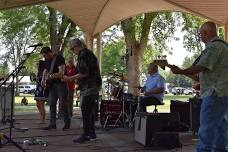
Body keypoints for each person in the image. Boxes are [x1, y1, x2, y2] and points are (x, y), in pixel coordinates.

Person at [169, 21, 228, 152]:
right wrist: (185, 73)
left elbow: (201, 67)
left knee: (206, 131)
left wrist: (181, 71)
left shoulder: (213, 47)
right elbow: (201, 75)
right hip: (223, 95)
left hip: (215, 94)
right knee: (220, 129)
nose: (200, 36)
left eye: (201, 33)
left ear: (205, 33)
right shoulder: (224, 47)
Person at [63, 38, 102, 143]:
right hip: (93, 85)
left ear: (76, 46)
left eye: (72, 49)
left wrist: (69, 78)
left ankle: (86, 134)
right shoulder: (88, 53)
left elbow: (84, 73)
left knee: (86, 111)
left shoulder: (83, 54)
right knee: (89, 111)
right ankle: (91, 134)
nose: (72, 51)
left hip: (90, 86)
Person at [40, 46, 71, 131]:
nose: (45, 58)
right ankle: (52, 124)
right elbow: (45, 70)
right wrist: (43, 79)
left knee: (63, 104)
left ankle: (67, 123)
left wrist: (50, 77)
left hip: (61, 84)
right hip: (52, 85)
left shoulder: (59, 58)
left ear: (49, 53)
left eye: (45, 56)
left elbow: (61, 72)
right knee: (52, 104)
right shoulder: (47, 60)